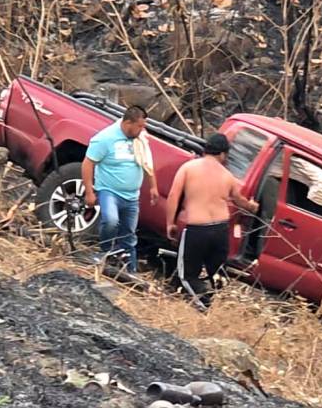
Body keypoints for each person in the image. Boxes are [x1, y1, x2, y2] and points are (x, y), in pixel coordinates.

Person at [165, 133, 259, 308]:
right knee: (216, 274)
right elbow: (240, 201)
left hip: (197, 230)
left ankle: (204, 305)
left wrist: (170, 223)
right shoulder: (228, 176)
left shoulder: (189, 168)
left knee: (186, 276)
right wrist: (252, 206)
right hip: (221, 231)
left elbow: (173, 196)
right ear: (223, 154)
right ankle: (215, 304)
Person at [82, 106, 159, 272]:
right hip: (109, 190)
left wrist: (153, 186)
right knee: (110, 221)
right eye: (139, 126)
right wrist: (89, 191)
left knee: (129, 233)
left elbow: (147, 162)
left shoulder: (140, 139)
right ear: (128, 123)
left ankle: (130, 269)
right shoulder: (105, 138)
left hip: (132, 196)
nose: (142, 130)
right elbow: (88, 163)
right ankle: (105, 251)